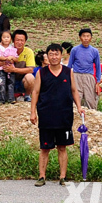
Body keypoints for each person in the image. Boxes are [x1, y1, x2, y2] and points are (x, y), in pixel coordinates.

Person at [30, 43, 84, 187]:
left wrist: (79, 107)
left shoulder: (68, 72)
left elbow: (74, 91)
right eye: (51, 54)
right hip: (46, 115)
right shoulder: (41, 72)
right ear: (47, 56)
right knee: (45, 148)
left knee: (62, 147)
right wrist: (32, 112)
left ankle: (63, 177)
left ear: (62, 55)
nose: (54, 57)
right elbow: (35, 92)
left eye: (57, 54)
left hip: (64, 115)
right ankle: (42, 176)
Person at [68, 28, 101, 109]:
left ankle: (92, 118)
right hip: (76, 76)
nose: (86, 38)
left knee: (90, 100)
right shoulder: (74, 50)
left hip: (89, 76)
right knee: (76, 98)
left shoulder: (94, 51)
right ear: (80, 38)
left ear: (91, 38)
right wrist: (68, 78)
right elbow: (69, 65)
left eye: (88, 36)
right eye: (84, 36)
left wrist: (98, 82)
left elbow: (98, 67)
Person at [2, 29, 35, 102]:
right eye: (17, 40)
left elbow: (30, 70)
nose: (19, 42)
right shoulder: (7, 49)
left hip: (21, 80)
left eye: (22, 40)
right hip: (8, 78)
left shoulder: (28, 52)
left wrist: (13, 69)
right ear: (13, 40)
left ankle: (27, 95)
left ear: (25, 41)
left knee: (30, 77)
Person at [0, 31, 18, 103]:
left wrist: (12, 58)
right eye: (4, 37)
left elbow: (16, 58)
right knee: (2, 83)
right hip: (1, 69)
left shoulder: (12, 47)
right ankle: (1, 100)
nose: (6, 39)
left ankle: (11, 98)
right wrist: (6, 58)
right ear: (1, 38)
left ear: (11, 39)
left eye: (8, 37)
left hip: (11, 69)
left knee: (11, 83)